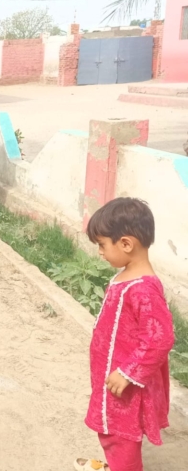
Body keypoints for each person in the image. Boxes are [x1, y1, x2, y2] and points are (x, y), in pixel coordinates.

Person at [75, 198, 174, 471]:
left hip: (125, 386)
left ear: (126, 244)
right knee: (112, 434)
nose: (100, 252)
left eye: (102, 245)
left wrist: (129, 372)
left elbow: (160, 337)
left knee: (119, 438)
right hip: (111, 378)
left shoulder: (143, 289)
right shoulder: (127, 275)